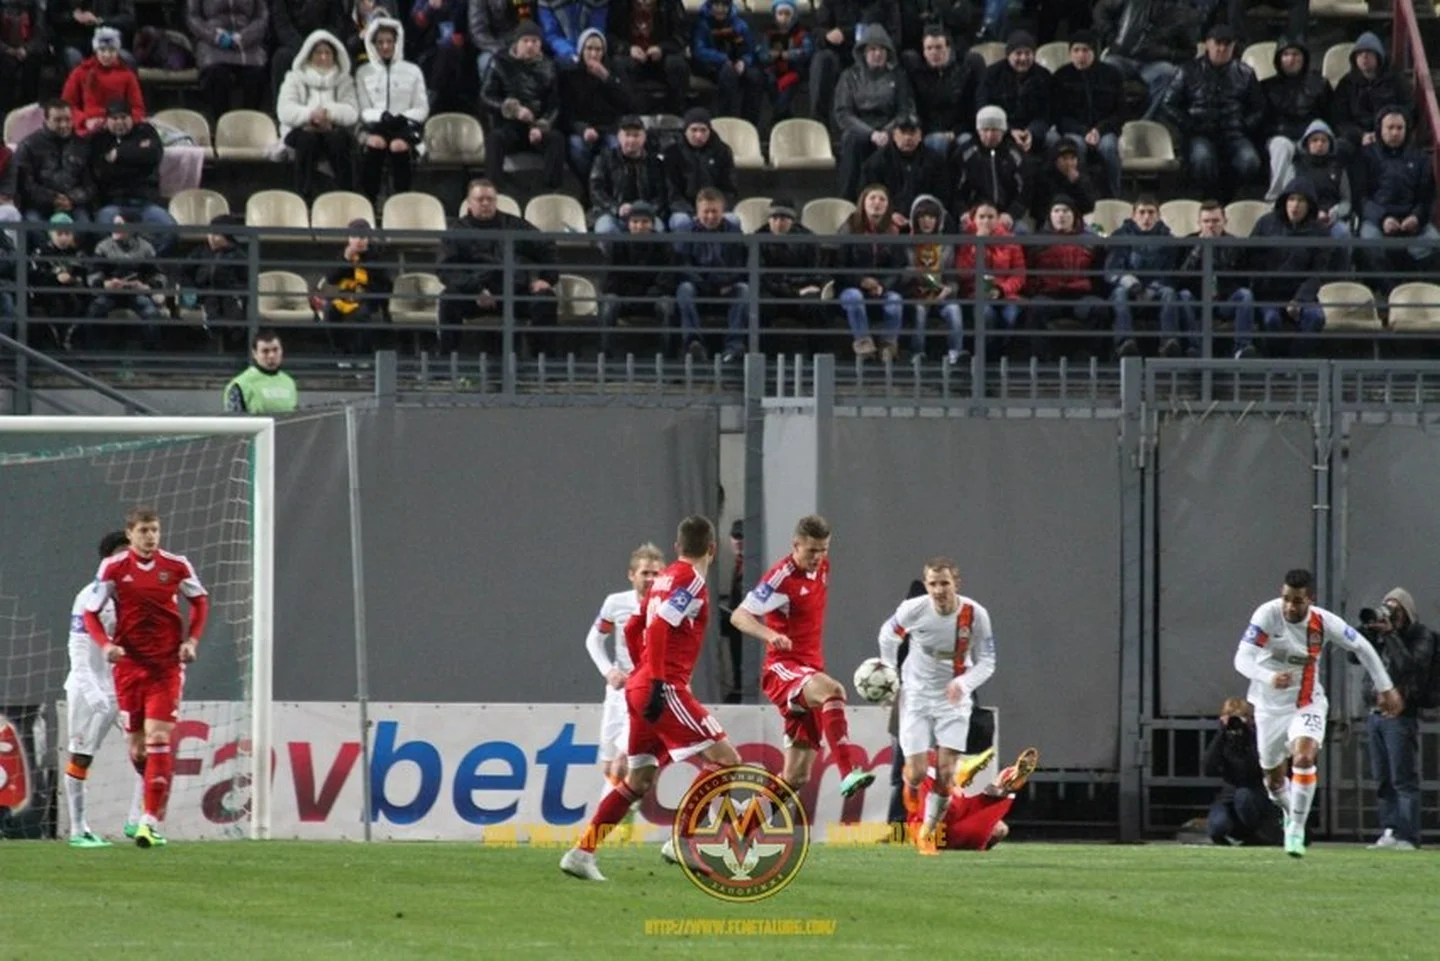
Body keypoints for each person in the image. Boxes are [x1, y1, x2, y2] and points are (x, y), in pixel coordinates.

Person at [561, 514, 743, 882]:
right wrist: (659, 680)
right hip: (663, 686)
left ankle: (581, 853)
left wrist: (643, 672)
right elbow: (658, 626)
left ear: (677, 548)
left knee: (638, 780)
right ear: (711, 549)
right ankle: (684, 839)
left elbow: (634, 625)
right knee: (726, 761)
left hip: (639, 686)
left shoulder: (663, 579)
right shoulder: (691, 580)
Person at [1233, 568, 1402, 857]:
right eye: (1286, 598)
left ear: (1310, 600)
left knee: (1304, 756)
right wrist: (1267, 676)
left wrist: (1385, 686)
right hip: (1268, 708)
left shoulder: (1323, 623)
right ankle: (1289, 811)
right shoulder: (1267, 615)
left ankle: (1296, 831)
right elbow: (1242, 658)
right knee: (1274, 781)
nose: (1289, 606)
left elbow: (1361, 647)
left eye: (1297, 601)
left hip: (1306, 702)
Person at [81, 506, 210, 849]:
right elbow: (90, 613)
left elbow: (200, 602)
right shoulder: (113, 568)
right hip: (128, 668)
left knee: (157, 739)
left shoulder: (176, 565)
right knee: (138, 749)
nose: (151, 536)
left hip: (165, 667)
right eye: (144, 531)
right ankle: (154, 791)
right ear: (130, 534)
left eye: (155, 530)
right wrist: (106, 644)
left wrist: (192, 640)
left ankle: (149, 820)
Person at [730, 515, 877, 809]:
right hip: (782, 670)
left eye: (823, 549)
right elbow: (739, 616)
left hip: (808, 670)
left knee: (795, 776)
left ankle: (737, 830)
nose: (818, 557)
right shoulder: (779, 577)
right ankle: (848, 772)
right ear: (795, 545)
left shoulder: (823, 567)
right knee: (833, 691)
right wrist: (770, 634)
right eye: (811, 550)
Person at [878, 556, 996, 854]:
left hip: (953, 700)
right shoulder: (914, 609)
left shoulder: (975, 614)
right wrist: (889, 671)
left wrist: (964, 683)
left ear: (956, 583)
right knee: (916, 773)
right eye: (933, 583)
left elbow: (988, 661)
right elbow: (887, 635)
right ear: (926, 584)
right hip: (916, 696)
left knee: (946, 773)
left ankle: (928, 832)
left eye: (945, 583)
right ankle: (911, 790)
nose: (939, 590)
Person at [64, 531, 146, 847]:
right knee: (81, 756)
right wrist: (91, 689)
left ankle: (136, 821)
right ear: (109, 560)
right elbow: (78, 647)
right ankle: (78, 830)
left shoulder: (137, 595)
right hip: (89, 689)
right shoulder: (90, 596)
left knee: (147, 751)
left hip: (124, 688)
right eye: (123, 554)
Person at [582, 544, 664, 810]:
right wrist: (608, 671)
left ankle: (602, 826)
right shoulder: (616, 603)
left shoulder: (669, 606)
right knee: (609, 765)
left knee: (622, 761)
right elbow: (594, 639)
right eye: (645, 573)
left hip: (648, 690)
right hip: (619, 691)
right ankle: (623, 812)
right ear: (631, 575)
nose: (651, 579)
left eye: (656, 574)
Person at [1352, 589, 1434, 851]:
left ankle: (1408, 835)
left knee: (1403, 778)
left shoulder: (1420, 636)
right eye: (1386, 608)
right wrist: (1367, 632)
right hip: (1375, 713)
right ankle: (1390, 829)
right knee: (1383, 778)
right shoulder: (1379, 635)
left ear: (1406, 612)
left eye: (1395, 609)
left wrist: (1391, 635)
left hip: (1401, 715)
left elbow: (1408, 666)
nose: (1389, 614)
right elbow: (1352, 656)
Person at [438, 178, 558, 352]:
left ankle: (544, 368)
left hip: (514, 293)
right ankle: (446, 367)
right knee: (448, 300)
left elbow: (546, 245)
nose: (486, 203)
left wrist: (547, 278)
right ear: (469, 203)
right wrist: (474, 289)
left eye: (490, 199)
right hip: (475, 294)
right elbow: (446, 268)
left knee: (545, 299)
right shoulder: (457, 230)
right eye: (480, 200)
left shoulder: (514, 225)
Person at [1159, 24, 1264, 202]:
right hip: (1200, 133)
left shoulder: (1245, 73)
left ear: (1234, 47)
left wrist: (1245, 125)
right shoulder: (1187, 70)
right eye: (1218, 43)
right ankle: (1208, 199)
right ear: (1207, 44)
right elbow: (1168, 104)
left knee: (1249, 161)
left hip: (1234, 133)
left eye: (1227, 44)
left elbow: (1260, 107)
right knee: (1202, 159)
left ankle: (1229, 197)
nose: (1222, 49)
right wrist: (1189, 124)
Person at [479, 20, 565, 191]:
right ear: (517, 43)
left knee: (557, 139)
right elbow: (486, 96)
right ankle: (493, 190)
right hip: (509, 126)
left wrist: (542, 126)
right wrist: (513, 109)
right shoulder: (499, 62)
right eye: (526, 41)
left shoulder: (549, 66)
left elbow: (555, 105)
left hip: (536, 127)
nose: (530, 45)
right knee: (494, 139)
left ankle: (550, 192)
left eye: (535, 41)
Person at [275, 29, 359, 200]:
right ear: (308, 54)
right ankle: (303, 198)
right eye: (318, 52)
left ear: (335, 56)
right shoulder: (294, 78)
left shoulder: (344, 80)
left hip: (333, 129)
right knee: (308, 140)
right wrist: (312, 115)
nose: (323, 57)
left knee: (337, 139)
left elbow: (351, 112)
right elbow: (285, 110)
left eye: (327, 53)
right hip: (302, 129)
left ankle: (346, 195)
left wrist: (328, 113)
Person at [832, 25, 912, 201]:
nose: (878, 54)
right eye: (873, 49)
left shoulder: (898, 76)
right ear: (863, 52)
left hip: (888, 128)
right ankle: (847, 201)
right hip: (859, 128)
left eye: (882, 49)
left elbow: (904, 110)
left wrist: (887, 131)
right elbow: (843, 113)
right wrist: (870, 134)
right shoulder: (849, 76)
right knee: (852, 142)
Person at [906, 746, 1038, 850]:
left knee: (993, 821)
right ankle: (1006, 780)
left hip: (936, 827)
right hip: (959, 827)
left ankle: (1004, 781)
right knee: (999, 826)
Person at [355, 17, 429, 201]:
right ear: (372, 44)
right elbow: (362, 109)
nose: (385, 47)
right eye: (380, 42)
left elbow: (422, 107)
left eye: (389, 41)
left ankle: (402, 199)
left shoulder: (413, 71)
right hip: (375, 125)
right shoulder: (363, 72)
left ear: (397, 42)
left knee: (398, 146)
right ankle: (369, 199)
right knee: (375, 143)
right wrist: (381, 115)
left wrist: (403, 117)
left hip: (405, 126)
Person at [1175, 200, 1256, 359]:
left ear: (1225, 222)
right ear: (1199, 223)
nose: (1211, 225)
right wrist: (1198, 249)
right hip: (1197, 300)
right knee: (1183, 295)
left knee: (1245, 295)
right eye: (1206, 221)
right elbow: (1181, 279)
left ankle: (1242, 348)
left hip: (1224, 300)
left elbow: (1243, 279)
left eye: (1215, 221)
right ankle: (1194, 348)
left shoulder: (1234, 244)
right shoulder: (1188, 242)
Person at [90, 100, 178, 247]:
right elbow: (102, 171)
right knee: (101, 229)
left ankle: (148, 263)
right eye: (114, 118)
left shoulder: (146, 131)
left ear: (132, 118)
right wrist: (137, 157)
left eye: (124, 117)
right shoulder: (99, 139)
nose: (119, 122)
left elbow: (153, 155)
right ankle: (120, 265)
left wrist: (119, 153)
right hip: (114, 203)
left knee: (171, 231)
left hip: (146, 202)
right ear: (107, 121)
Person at [674, 187, 747, 363]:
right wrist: (706, 284)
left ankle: (734, 346)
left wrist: (725, 282)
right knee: (684, 289)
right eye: (706, 212)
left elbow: (740, 264)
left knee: (744, 290)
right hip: (699, 286)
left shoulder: (734, 232)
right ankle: (693, 344)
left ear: (723, 211)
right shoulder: (687, 231)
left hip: (726, 287)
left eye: (715, 211)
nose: (710, 216)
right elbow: (683, 265)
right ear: (698, 212)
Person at [1047, 30, 1122, 197]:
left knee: (1109, 147)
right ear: (1070, 53)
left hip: (1104, 131)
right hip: (1074, 130)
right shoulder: (1061, 76)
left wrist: (1099, 130)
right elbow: (1058, 115)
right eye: (1076, 50)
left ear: (1094, 52)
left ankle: (1114, 196)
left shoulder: (1112, 75)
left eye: (1086, 50)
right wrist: (1084, 131)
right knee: (1076, 147)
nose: (1081, 55)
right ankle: (1081, 195)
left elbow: (1120, 112)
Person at [836, 184, 906, 360]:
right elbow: (839, 266)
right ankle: (864, 345)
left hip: (881, 287)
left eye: (882, 199)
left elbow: (898, 268)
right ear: (863, 203)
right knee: (854, 297)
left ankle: (889, 346)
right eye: (872, 198)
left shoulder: (893, 231)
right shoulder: (849, 227)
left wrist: (881, 285)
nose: (877, 203)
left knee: (895, 300)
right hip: (852, 286)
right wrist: (861, 281)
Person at [1105, 195, 1179, 358]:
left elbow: (1171, 273)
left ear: (1158, 216)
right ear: (1133, 215)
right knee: (1118, 293)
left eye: (1151, 212)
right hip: (1129, 290)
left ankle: (1168, 343)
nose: (1146, 217)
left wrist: (1153, 288)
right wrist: (1129, 282)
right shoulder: (1120, 236)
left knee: (1169, 293)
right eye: (1142, 212)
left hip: (1156, 292)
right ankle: (1124, 343)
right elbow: (1111, 270)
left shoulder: (1168, 240)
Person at [1260, 37, 1329, 205]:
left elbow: (1328, 116)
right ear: (1279, 58)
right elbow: (1262, 120)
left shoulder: (1319, 84)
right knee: (1283, 147)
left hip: (1309, 136)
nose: (1291, 59)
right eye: (1286, 54)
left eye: (1296, 54)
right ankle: (1275, 198)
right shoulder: (1266, 86)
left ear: (1304, 58)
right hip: (1279, 136)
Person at [1202, 697, 1275, 846]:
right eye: (1230, 717)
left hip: (1256, 791)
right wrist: (1221, 734)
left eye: (1240, 717)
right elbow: (1208, 768)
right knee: (1218, 825)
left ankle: (1258, 834)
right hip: (1230, 792)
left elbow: (1254, 767)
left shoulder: (1259, 738)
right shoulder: (1224, 740)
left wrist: (1249, 733)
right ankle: (1235, 834)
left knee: (1244, 797)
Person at [185, 0, 270, 121]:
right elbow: (192, 17)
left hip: (246, 40)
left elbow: (261, 17)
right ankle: (222, 122)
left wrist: (245, 36)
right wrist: (214, 36)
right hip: (212, 40)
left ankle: (248, 123)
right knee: (215, 73)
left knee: (256, 73)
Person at [316, 218, 391, 353]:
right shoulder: (344, 254)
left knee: (360, 315)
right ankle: (341, 354)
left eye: (362, 237)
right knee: (330, 311)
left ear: (368, 238)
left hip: (368, 298)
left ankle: (363, 357)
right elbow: (331, 279)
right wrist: (345, 260)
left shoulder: (377, 255)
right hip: (345, 297)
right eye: (354, 236)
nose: (358, 241)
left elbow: (385, 284)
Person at [14, 100, 95, 223]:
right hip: (38, 206)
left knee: (84, 224)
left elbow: (90, 185)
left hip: (73, 205)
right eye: (58, 120)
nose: (64, 125)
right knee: (34, 225)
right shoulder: (28, 145)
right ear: (46, 120)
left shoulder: (82, 146)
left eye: (68, 120)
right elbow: (25, 184)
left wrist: (71, 199)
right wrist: (53, 198)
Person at [605, 0, 688, 116]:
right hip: (632, 57)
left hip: (661, 59)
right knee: (618, 63)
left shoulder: (671, 4)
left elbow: (681, 37)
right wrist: (627, 49)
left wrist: (662, 48)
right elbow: (609, 37)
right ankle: (629, 115)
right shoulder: (619, 4)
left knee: (676, 64)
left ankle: (676, 113)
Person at [61, 27, 145, 135]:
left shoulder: (127, 75)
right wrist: (83, 121)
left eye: (111, 50)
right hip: (88, 128)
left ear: (117, 51)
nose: (107, 55)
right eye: (102, 50)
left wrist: (122, 122)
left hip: (120, 128)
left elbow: (138, 108)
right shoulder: (81, 72)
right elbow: (67, 105)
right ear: (96, 50)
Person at [224, 329, 299, 413]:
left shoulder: (289, 383)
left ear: (282, 351)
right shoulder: (239, 385)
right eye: (265, 351)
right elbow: (234, 423)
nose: (271, 355)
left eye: (275, 350)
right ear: (254, 354)